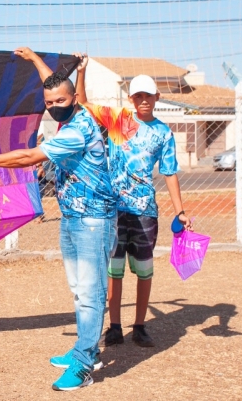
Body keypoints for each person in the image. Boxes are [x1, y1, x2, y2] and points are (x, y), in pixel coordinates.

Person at [0, 47, 117, 391]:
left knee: (91, 294)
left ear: (74, 97)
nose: (54, 105)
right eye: (48, 103)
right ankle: (83, 348)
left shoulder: (79, 129)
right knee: (79, 291)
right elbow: (53, 83)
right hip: (73, 217)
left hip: (94, 220)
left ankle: (84, 363)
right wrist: (33, 59)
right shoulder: (67, 117)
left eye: (60, 100)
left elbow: (30, 156)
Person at [75, 59, 192, 348]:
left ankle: (139, 326)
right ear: (131, 99)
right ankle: (114, 326)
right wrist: (81, 71)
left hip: (145, 213)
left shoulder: (163, 133)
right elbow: (82, 104)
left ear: (156, 98)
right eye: (137, 96)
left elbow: (169, 173)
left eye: (147, 95)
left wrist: (180, 210)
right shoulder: (120, 121)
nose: (143, 100)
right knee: (114, 270)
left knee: (144, 270)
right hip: (114, 211)